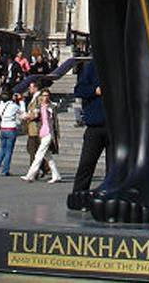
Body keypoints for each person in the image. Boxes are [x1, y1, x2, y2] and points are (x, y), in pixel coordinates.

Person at [68, 61, 109, 208]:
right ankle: (78, 196)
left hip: (116, 126)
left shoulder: (123, 66)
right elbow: (79, 89)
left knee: (113, 167)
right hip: (95, 125)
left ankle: (109, 196)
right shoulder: (92, 67)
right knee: (86, 163)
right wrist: (96, 90)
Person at [20, 89, 62, 183]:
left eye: (47, 95)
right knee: (48, 156)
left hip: (49, 133)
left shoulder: (51, 107)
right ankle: (56, 175)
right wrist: (25, 116)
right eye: (43, 95)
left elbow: (54, 119)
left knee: (39, 154)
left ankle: (30, 175)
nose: (45, 97)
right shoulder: (39, 106)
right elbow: (34, 115)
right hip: (42, 133)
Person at [0, 92, 25, 176]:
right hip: (11, 128)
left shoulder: (0, 106)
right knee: (9, 151)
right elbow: (22, 112)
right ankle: (5, 170)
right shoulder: (13, 106)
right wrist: (21, 101)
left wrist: (12, 99)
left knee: (2, 148)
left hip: (3, 128)